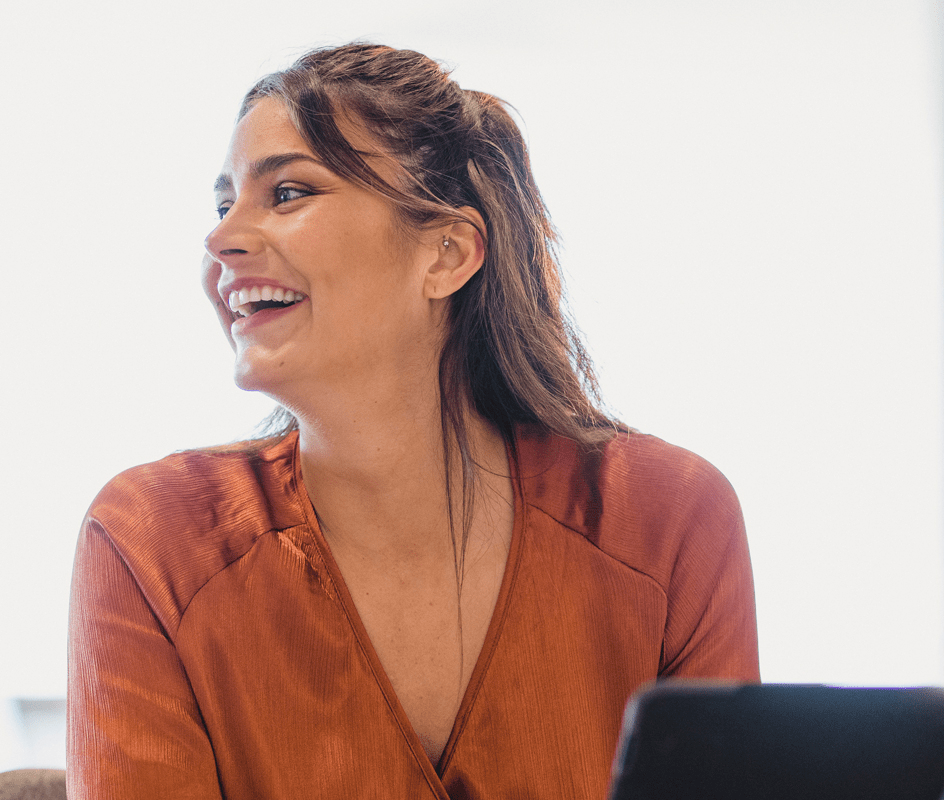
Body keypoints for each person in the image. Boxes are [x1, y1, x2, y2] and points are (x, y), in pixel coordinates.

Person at [67, 43, 759, 799]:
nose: (222, 237)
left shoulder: (666, 521)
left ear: (447, 254)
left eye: (289, 192)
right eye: (224, 203)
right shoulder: (152, 542)